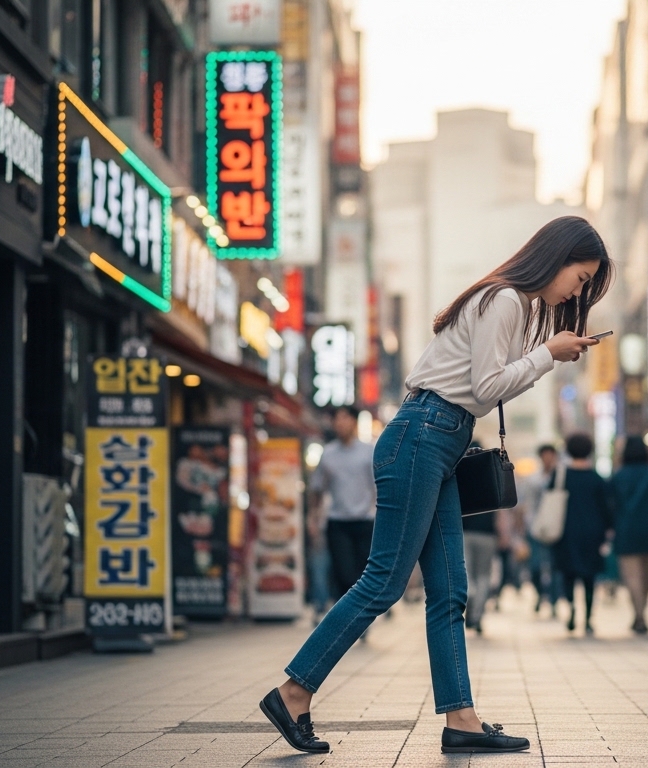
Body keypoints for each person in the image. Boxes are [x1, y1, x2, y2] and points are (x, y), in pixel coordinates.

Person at [260, 216, 611, 755]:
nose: (577, 292)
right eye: (581, 278)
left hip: (440, 440)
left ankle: (461, 718)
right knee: (384, 581)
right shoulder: (505, 299)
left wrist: (544, 354)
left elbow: (480, 390)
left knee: (449, 590)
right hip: (423, 435)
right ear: (557, 256)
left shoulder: (512, 303)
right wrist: (547, 355)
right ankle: (293, 692)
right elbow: (487, 388)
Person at [307, 406, 376, 608]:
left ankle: (359, 616)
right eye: (336, 419)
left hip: (365, 521)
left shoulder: (369, 452)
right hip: (338, 522)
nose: (340, 423)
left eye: (345, 418)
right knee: (343, 573)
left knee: (364, 574)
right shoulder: (328, 454)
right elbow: (317, 489)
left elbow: (378, 486)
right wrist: (313, 518)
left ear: (354, 421)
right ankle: (346, 614)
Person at [554, 433, 613, 636]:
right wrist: (607, 531)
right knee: (589, 577)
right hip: (592, 533)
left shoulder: (561, 476)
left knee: (568, 574)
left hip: (565, 532)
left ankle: (571, 610)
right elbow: (606, 508)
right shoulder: (597, 479)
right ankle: (587, 620)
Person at [610, 436, 648, 635]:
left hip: (625, 530)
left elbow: (611, 506)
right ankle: (642, 614)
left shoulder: (618, 476)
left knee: (632, 577)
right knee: (647, 576)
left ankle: (639, 615)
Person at [462, 441, 502, 635]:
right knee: (484, 576)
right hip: (487, 534)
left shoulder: (460, 474)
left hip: (464, 533)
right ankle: (477, 616)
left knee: (467, 573)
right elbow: (500, 509)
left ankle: (470, 597)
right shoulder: (490, 476)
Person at [522, 445, 563, 617]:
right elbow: (528, 505)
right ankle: (540, 595)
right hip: (536, 528)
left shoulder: (561, 478)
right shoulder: (533, 480)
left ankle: (553, 601)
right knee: (535, 566)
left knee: (555, 567)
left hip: (556, 528)